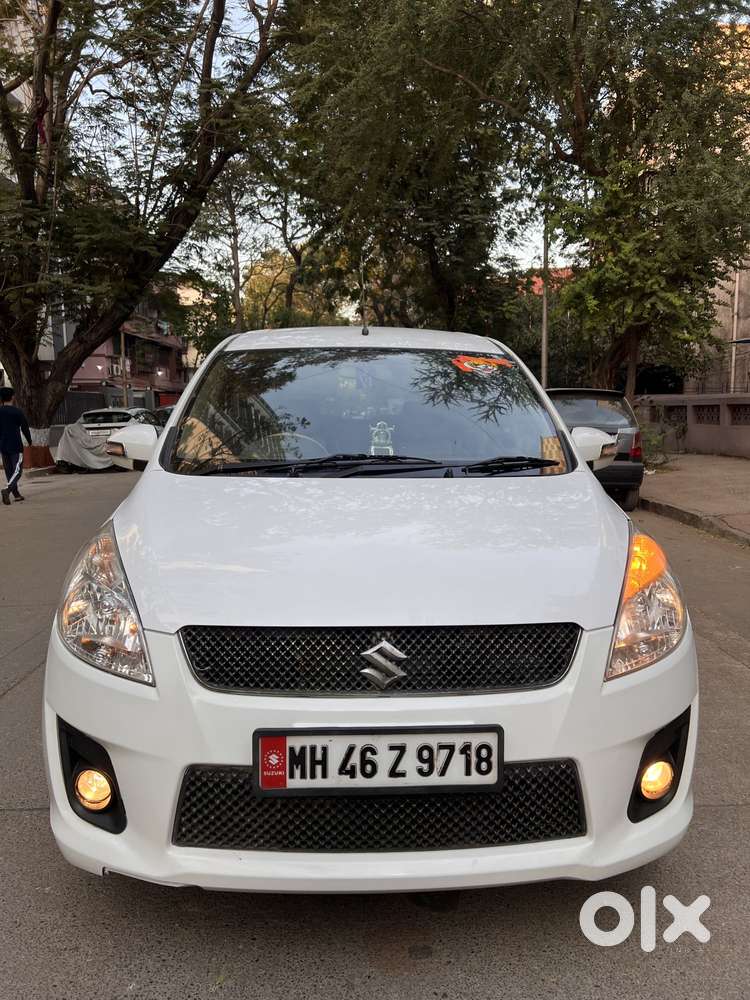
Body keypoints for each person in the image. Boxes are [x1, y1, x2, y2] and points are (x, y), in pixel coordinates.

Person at [0, 386, 32, 505]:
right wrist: (29, 441)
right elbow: (24, 427)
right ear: (12, 397)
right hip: (15, 445)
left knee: (9, 471)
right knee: (17, 470)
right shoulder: (17, 412)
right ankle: (7, 490)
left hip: (3, 446)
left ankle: (16, 494)